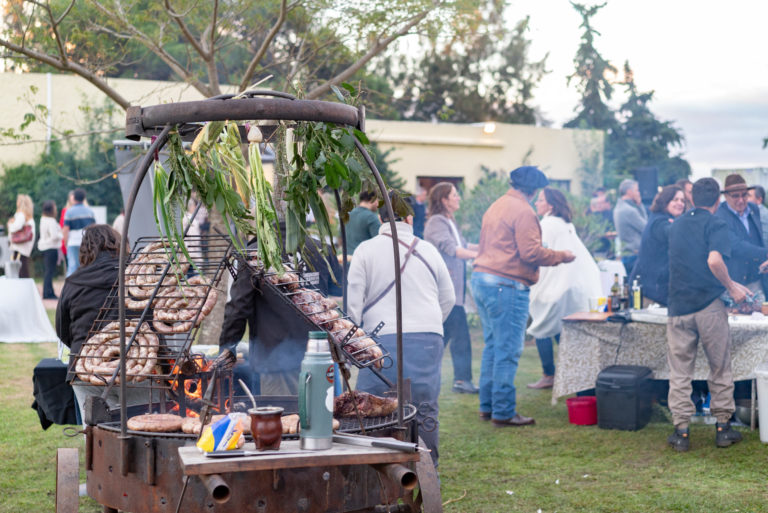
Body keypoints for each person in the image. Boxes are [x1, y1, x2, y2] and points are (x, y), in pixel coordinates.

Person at [349, 193, 454, 465]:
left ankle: (376, 473)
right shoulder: (430, 250)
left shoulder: (365, 250)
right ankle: (428, 472)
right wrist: (428, 324)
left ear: (380, 216)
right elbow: (449, 298)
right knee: (425, 408)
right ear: (410, 217)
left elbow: (352, 307)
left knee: (372, 407)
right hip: (428, 337)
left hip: (379, 341)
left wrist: (360, 334)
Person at [471, 166, 575, 427]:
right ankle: (503, 412)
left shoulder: (497, 205)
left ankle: (488, 406)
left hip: (483, 279)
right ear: (534, 189)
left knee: (493, 347)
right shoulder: (524, 211)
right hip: (506, 284)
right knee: (508, 350)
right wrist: (561, 256)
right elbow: (530, 253)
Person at [666, 178, 751, 452]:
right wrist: (730, 287)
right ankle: (723, 428)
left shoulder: (676, 224)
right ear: (718, 200)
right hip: (708, 306)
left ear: (691, 198)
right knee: (719, 367)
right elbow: (713, 261)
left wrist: (734, 285)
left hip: (678, 307)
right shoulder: (716, 223)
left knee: (680, 371)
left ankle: (681, 433)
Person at [219, 222, 344, 395]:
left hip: (275, 363)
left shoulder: (254, 253)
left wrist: (227, 347)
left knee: (284, 419)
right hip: (319, 356)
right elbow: (337, 288)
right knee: (320, 417)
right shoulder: (320, 248)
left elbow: (239, 307)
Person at [55, 225, 150, 415]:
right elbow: (152, 322)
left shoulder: (72, 282)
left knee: (95, 435)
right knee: (143, 431)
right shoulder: (136, 276)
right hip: (137, 366)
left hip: (85, 371)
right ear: (118, 245)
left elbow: (63, 330)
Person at [526, 187, 602, 389]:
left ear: (550, 204)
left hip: (558, 285)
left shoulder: (547, 224)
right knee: (562, 328)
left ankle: (550, 374)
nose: (536, 203)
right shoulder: (565, 224)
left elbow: (541, 254)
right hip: (573, 284)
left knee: (542, 325)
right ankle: (576, 374)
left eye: (540, 200)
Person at [423, 182, 479, 394]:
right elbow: (453, 249)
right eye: (454, 195)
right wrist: (482, 255)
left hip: (454, 292)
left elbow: (464, 246)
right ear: (444, 200)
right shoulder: (437, 222)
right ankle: (462, 380)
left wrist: (487, 246)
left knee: (444, 337)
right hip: (445, 291)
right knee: (460, 337)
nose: (458, 198)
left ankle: (425, 373)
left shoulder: (448, 221)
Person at [629, 185, 686, 306]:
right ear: (665, 201)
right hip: (651, 294)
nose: (680, 203)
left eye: (682, 200)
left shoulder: (661, 219)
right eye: (675, 200)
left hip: (654, 290)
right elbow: (669, 232)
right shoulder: (659, 222)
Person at [714, 174, 768, 295]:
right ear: (726, 196)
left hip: (756, 279)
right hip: (733, 283)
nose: (741, 200)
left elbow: (757, 238)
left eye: (744, 195)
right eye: (735, 196)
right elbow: (735, 245)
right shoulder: (719, 216)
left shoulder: (754, 209)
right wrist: (765, 254)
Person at [613, 179, 648, 275]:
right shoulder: (629, 211)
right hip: (634, 255)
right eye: (637, 190)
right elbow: (646, 228)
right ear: (629, 192)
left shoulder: (618, 208)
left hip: (627, 254)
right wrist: (640, 205)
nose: (639, 193)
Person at [62, 188, 96, 277]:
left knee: (72, 267)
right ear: (84, 198)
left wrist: (65, 243)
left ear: (74, 198)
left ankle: (70, 288)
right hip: (86, 242)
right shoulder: (90, 211)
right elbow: (94, 228)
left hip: (72, 242)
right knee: (86, 265)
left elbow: (65, 230)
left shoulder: (69, 212)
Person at [38, 200, 63, 299]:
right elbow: (54, 236)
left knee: (48, 271)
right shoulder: (51, 221)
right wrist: (60, 235)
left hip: (44, 247)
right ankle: (48, 293)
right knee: (49, 272)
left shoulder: (43, 219)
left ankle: (49, 292)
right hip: (51, 247)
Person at [7, 194, 35, 278]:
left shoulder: (21, 215)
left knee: (20, 271)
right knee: (23, 269)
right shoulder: (27, 216)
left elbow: (16, 227)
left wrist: (10, 224)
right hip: (24, 247)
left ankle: (23, 289)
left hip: (20, 247)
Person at [344, 190, 380, 256]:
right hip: (363, 260)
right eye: (377, 200)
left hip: (347, 260)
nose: (378, 204)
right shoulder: (371, 217)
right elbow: (379, 243)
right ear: (372, 199)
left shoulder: (348, 215)